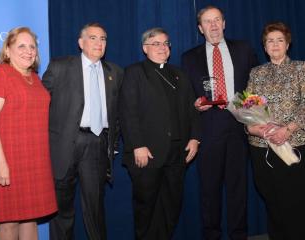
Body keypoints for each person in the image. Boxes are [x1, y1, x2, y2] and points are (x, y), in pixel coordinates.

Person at [181, 6, 258, 239]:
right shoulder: (189, 58)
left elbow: (256, 89)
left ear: (224, 23)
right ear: (200, 28)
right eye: (207, 21)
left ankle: (238, 235)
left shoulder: (244, 49)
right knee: (209, 192)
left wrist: (253, 112)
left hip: (239, 129)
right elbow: (186, 100)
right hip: (208, 131)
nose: (213, 25)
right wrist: (195, 105)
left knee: (238, 191)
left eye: (217, 20)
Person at [42, 23, 123, 240]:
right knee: (61, 209)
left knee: (95, 208)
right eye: (93, 38)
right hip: (65, 145)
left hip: (97, 144)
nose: (99, 43)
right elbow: (39, 106)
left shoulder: (115, 72)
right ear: (81, 43)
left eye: (103, 39)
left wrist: (112, 146)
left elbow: (117, 114)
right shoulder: (60, 66)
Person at [120, 27, 201, 240]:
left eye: (166, 43)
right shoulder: (134, 72)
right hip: (148, 153)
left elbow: (191, 110)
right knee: (146, 208)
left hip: (177, 153)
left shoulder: (179, 74)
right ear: (145, 48)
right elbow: (128, 111)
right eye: (156, 43)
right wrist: (137, 145)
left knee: (172, 206)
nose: (162, 48)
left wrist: (194, 138)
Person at [0, 27, 57, 240]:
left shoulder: (35, 78)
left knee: (31, 219)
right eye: (21, 46)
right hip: (10, 159)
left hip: (36, 160)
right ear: (8, 50)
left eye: (32, 46)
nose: (28, 51)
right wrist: (1, 163)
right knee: (9, 222)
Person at [246, 22, 305, 239]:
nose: (275, 44)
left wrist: (287, 130)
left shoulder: (301, 68)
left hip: (293, 145)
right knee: (272, 201)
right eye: (270, 41)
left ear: (288, 44)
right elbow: (248, 108)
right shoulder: (256, 73)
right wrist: (253, 128)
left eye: (280, 40)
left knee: (294, 202)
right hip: (262, 147)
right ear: (264, 46)